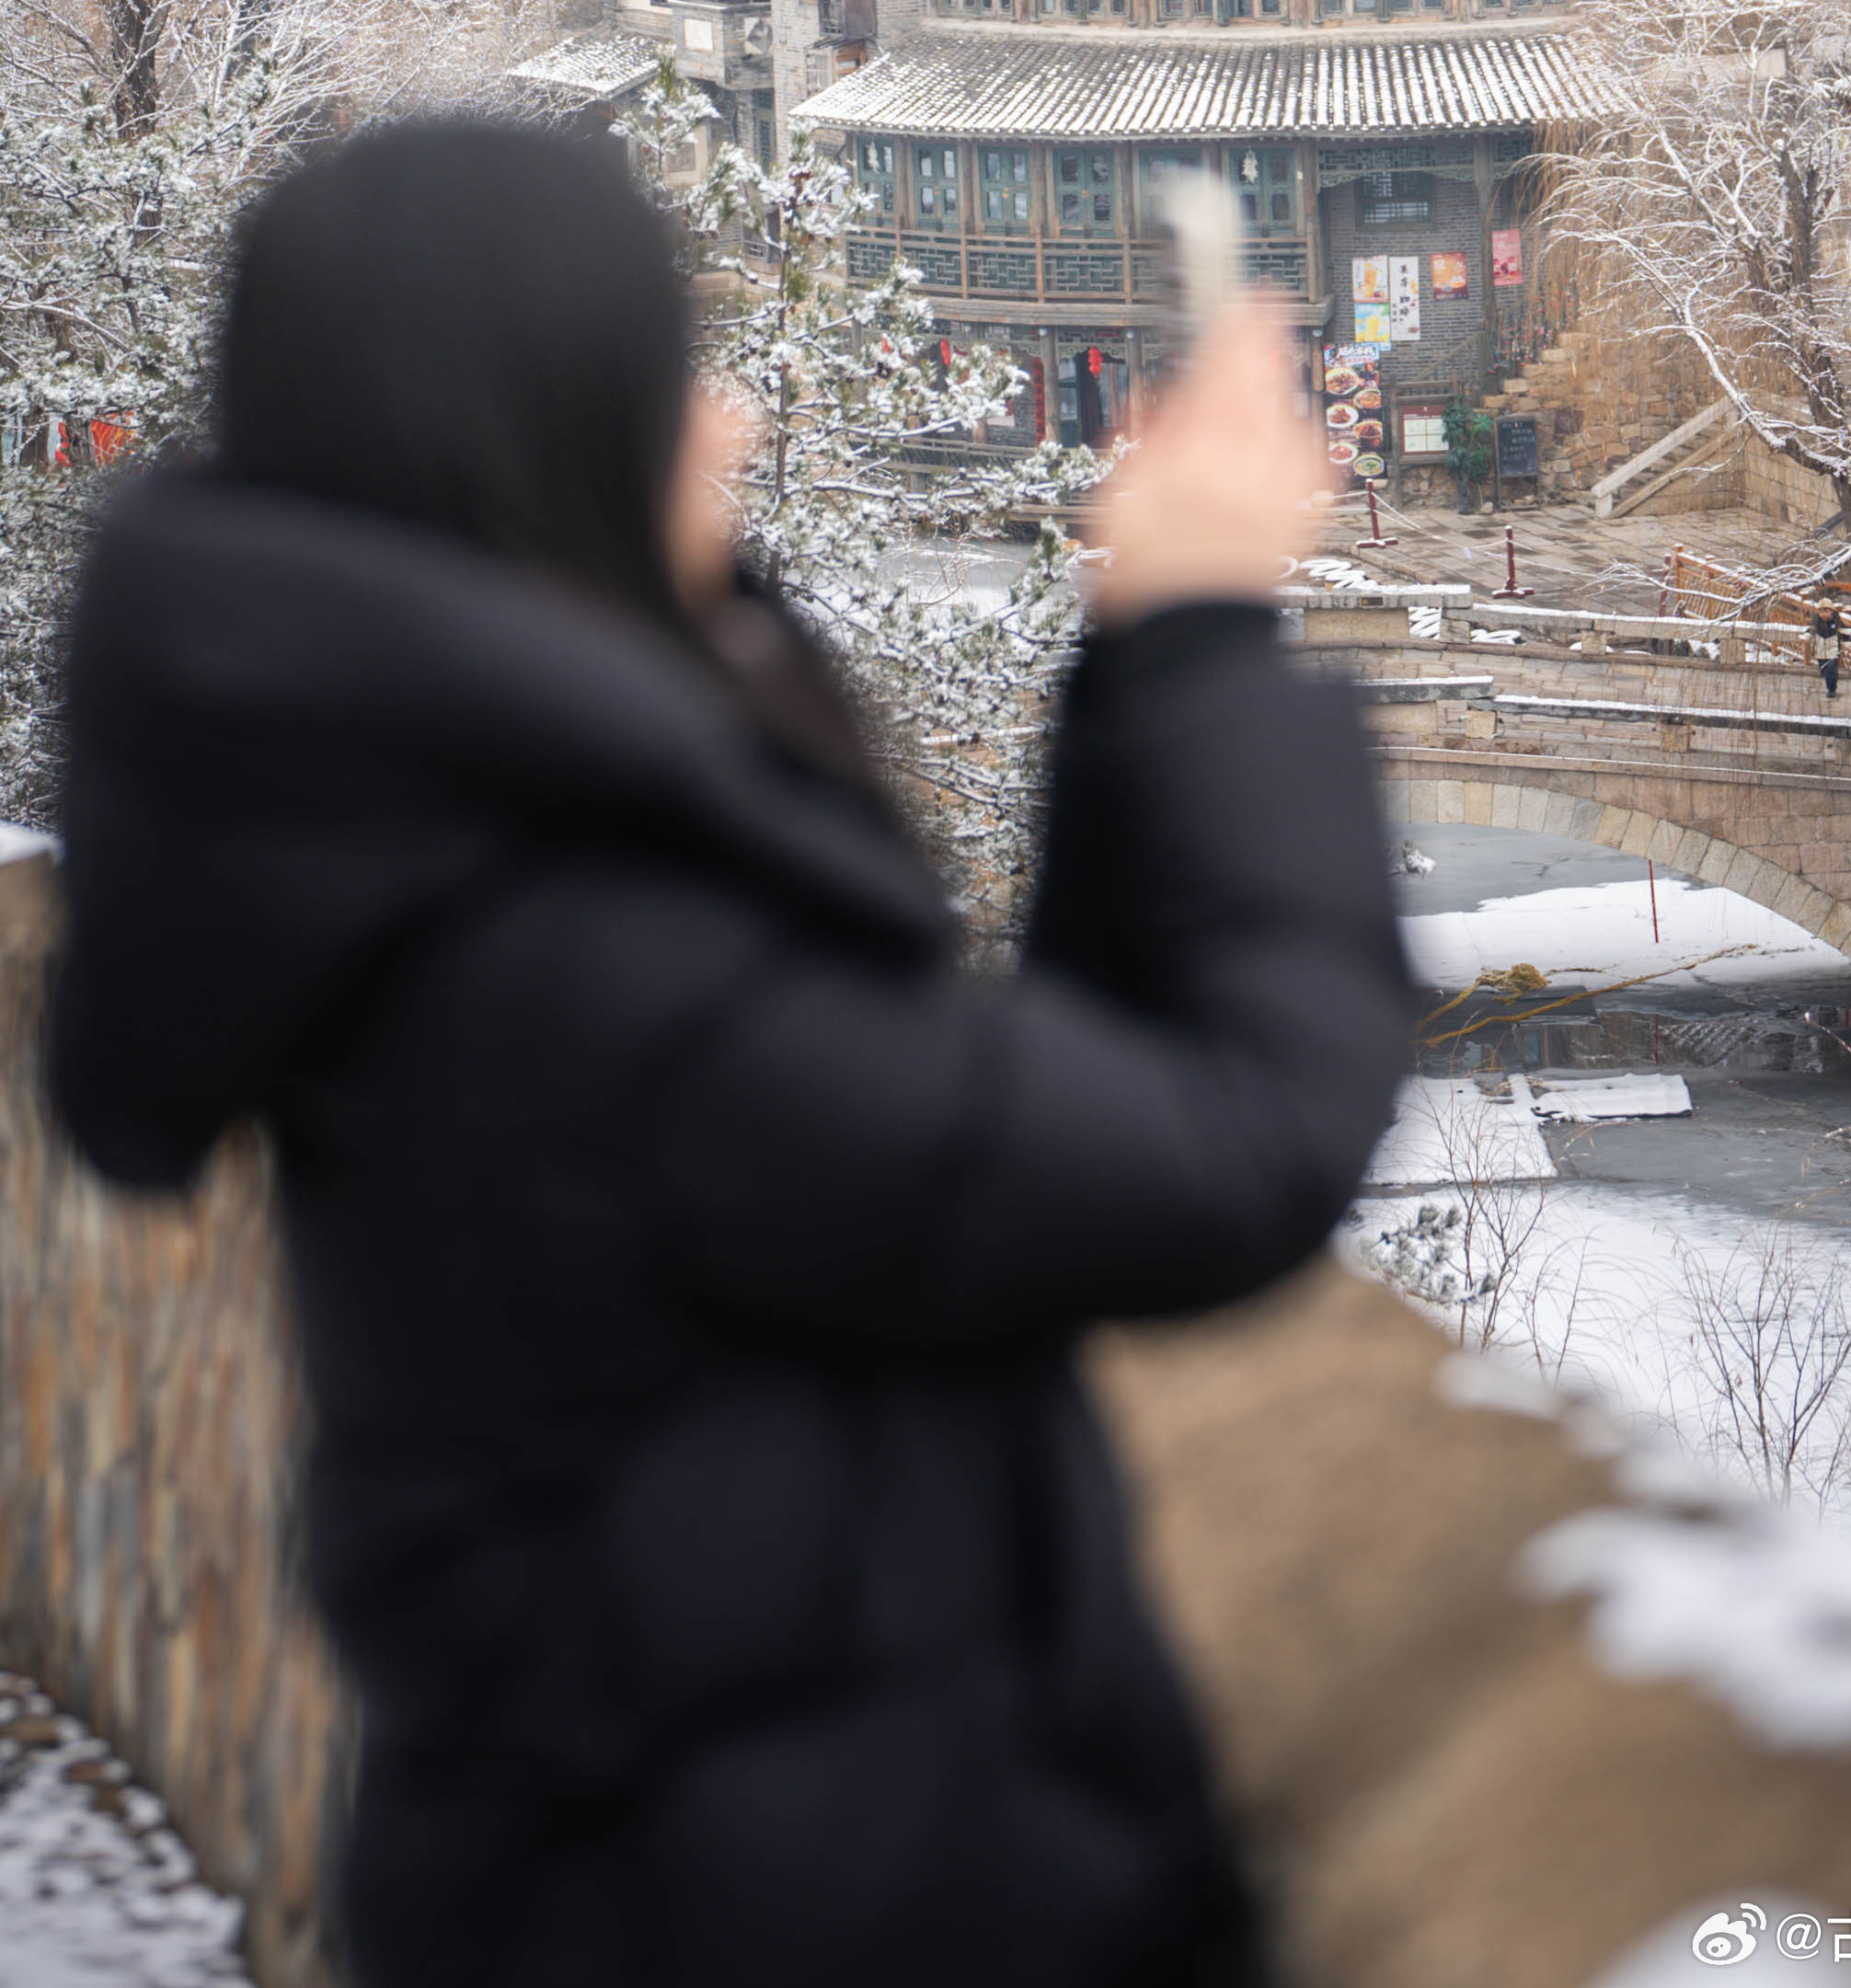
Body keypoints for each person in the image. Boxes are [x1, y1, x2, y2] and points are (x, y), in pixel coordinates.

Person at [49, 119, 1411, 1988]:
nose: (743, 414)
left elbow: (990, 1119)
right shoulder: (574, 961)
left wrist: (1128, 655)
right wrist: (1196, 641)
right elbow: (1233, 1144)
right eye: (676, 364)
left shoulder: (424, 846)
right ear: (543, 420)